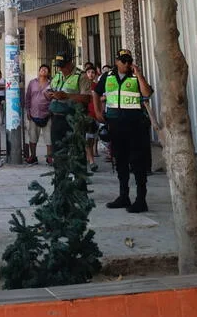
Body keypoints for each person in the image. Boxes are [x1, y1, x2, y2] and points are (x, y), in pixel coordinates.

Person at [94, 48, 153, 213]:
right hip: (116, 125)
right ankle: (123, 196)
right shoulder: (108, 76)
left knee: (137, 163)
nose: (126, 63)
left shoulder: (135, 77)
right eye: (123, 60)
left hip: (135, 126)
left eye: (129, 60)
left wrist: (139, 74)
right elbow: (96, 92)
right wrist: (98, 112)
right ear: (116, 61)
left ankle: (141, 199)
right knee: (120, 162)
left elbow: (147, 93)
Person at [46, 50, 92, 166]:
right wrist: (48, 94)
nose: (61, 69)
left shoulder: (81, 76)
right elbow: (50, 88)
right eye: (58, 66)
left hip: (73, 119)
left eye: (63, 66)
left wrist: (66, 96)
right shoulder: (58, 75)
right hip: (56, 118)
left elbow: (87, 98)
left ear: (70, 63)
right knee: (58, 151)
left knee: (77, 151)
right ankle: (60, 179)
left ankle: (79, 179)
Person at [25, 64, 52, 165]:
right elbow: (28, 97)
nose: (43, 70)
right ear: (39, 71)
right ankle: (33, 156)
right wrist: (28, 110)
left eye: (46, 69)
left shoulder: (51, 84)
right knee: (33, 136)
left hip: (47, 114)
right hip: (33, 114)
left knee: (48, 137)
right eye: (42, 69)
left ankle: (49, 157)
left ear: (48, 72)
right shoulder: (32, 83)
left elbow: (53, 97)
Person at [84, 64, 99, 172]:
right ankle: (92, 161)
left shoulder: (97, 86)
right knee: (87, 139)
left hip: (96, 115)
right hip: (86, 115)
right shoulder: (83, 86)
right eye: (88, 72)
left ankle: (88, 158)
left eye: (93, 72)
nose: (90, 74)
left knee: (92, 140)